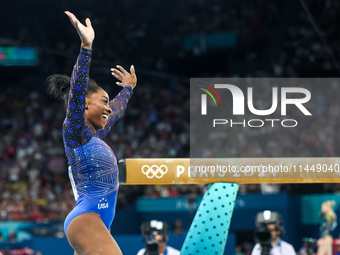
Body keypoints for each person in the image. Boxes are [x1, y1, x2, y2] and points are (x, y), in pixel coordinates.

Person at [47, 11, 137, 255]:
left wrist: (128, 88)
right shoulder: (76, 132)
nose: (108, 107)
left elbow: (116, 111)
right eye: (103, 100)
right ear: (85, 104)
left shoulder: (95, 136)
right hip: (87, 218)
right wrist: (86, 47)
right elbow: (77, 90)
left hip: (97, 221)